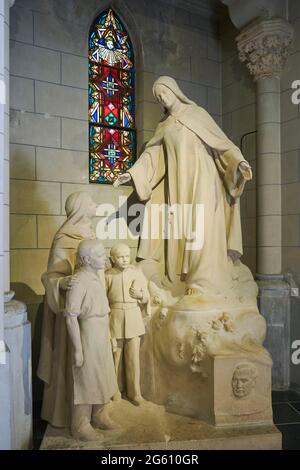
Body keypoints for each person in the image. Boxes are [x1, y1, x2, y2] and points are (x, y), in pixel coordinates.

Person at [113, 76, 252, 299]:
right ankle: (183, 282)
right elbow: (152, 156)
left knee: (203, 225)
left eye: (163, 92)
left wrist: (239, 162)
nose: (161, 98)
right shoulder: (164, 126)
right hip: (177, 186)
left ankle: (204, 280)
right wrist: (131, 174)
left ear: (174, 91)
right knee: (183, 226)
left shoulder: (198, 114)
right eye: (157, 96)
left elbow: (222, 144)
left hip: (204, 180)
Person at [37, 191, 98, 427]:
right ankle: (74, 418)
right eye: (91, 202)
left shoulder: (91, 234)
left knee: (96, 363)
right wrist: (62, 282)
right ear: (82, 208)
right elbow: (52, 275)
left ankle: (97, 412)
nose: (95, 205)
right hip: (72, 311)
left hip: (94, 312)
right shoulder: (64, 237)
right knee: (76, 363)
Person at [65, 240, 118, 441]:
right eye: (99, 254)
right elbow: (70, 316)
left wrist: (110, 335)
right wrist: (78, 349)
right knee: (86, 378)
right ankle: (80, 424)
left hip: (101, 333)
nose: (104, 257)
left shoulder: (97, 278)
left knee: (102, 374)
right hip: (88, 334)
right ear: (87, 259)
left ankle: (99, 415)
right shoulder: (79, 281)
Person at [105, 243, 150, 405]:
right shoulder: (107, 275)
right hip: (115, 317)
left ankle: (135, 393)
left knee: (133, 358)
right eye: (120, 257)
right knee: (115, 357)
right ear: (113, 259)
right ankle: (114, 389)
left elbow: (146, 296)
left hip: (133, 316)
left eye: (126, 256)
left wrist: (140, 295)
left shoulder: (136, 272)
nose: (124, 260)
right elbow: (103, 300)